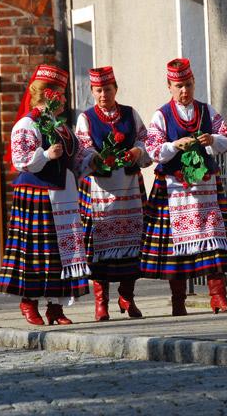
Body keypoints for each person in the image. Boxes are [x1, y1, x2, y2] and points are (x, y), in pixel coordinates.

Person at [0, 64, 93, 325]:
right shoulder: (26, 124)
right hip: (37, 195)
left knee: (58, 253)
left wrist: (93, 160)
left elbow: (76, 156)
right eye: (60, 94)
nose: (64, 99)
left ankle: (55, 308)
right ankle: (28, 302)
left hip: (62, 194)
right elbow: (21, 160)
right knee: (35, 252)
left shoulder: (59, 126)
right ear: (48, 95)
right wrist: (46, 155)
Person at [141, 58, 227, 315]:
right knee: (177, 246)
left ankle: (218, 297)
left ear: (194, 84)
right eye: (179, 86)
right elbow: (152, 149)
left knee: (213, 238)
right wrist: (174, 146)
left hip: (205, 186)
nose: (184, 91)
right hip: (174, 187)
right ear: (169, 86)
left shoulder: (207, 111)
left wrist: (212, 139)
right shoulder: (161, 115)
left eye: (188, 85)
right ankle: (178, 302)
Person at [75, 66, 151, 321]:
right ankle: (101, 303)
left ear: (115, 89)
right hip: (100, 190)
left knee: (133, 242)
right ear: (92, 92)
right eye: (98, 90)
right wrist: (97, 158)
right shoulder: (86, 118)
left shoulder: (130, 114)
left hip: (129, 186)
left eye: (107, 89)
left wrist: (137, 152)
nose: (103, 95)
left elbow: (145, 140)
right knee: (99, 245)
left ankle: (127, 296)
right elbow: (82, 148)